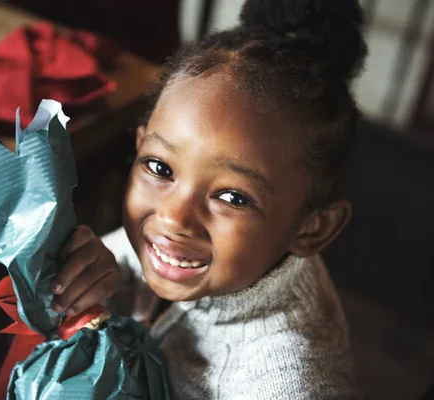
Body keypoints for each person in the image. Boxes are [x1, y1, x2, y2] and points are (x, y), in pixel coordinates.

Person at [49, 0, 367, 398]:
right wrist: (103, 283)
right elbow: (118, 270)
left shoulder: (284, 386)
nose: (173, 217)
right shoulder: (206, 251)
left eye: (233, 197)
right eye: (161, 168)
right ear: (141, 145)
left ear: (312, 228)